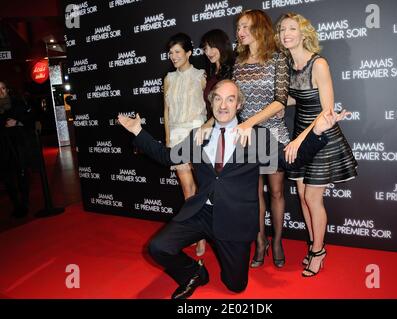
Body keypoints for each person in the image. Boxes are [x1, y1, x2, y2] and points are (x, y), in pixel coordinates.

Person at [118, 79, 348, 299]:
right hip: (201, 212)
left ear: (239, 105)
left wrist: (317, 132)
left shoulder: (257, 137)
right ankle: (195, 273)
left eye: (230, 99)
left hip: (234, 219)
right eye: (217, 99)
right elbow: (167, 157)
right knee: (158, 247)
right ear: (211, 102)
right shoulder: (199, 136)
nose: (223, 105)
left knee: (235, 286)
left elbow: (291, 162)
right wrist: (138, 131)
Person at [276, 13, 358, 277]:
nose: (285, 33)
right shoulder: (287, 65)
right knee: (301, 196)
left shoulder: (318, 64)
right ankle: (313, 245)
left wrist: (299, 139)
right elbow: (291, 98)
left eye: (291, 28)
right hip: (300, 133)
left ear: (303, 33)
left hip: (322, 137)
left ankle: (319, 252)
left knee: (312, 197)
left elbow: (327, 111)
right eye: (282, 29)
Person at [233, 9, 291, 268]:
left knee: (276, 193)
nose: (240, 32)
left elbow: (280, 101)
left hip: (273, 134)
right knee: (254, 195)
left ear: (259, 28)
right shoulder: (238, 63)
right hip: (246, 138)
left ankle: (277, 241)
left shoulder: (278, 59)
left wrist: (249, 122)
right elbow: (238, 102)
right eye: (238, 27)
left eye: (245, 26)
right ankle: (260, 242)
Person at [164, 33, 208, 256]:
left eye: (177, 52)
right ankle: (197, 235)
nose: (173, 56)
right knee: (187, 189)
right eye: (171, 53)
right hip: (177, 134)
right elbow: (166, 111)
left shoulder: (201, 75)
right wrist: (168, 139)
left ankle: (203, 232)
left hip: (198, 133)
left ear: (189, 53)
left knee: (201, 189)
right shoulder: (168, 79)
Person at [0, 80, 31, 218]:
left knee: (22, 175)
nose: (1, 91)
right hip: (3, 148)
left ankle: (24, 204)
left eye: (3, 88)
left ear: (7, 89)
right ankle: (16, 205)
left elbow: (29, 119)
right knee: (7, 179)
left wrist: (17, 122)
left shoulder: (17, 103)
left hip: (18, 145)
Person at [200, 29, 235, 119]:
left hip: (230, 124)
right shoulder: (208, 74)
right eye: (205, 49)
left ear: (221, 45)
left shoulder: (234, 70)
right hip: (212, 127)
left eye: (211, 47)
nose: (208, 52)